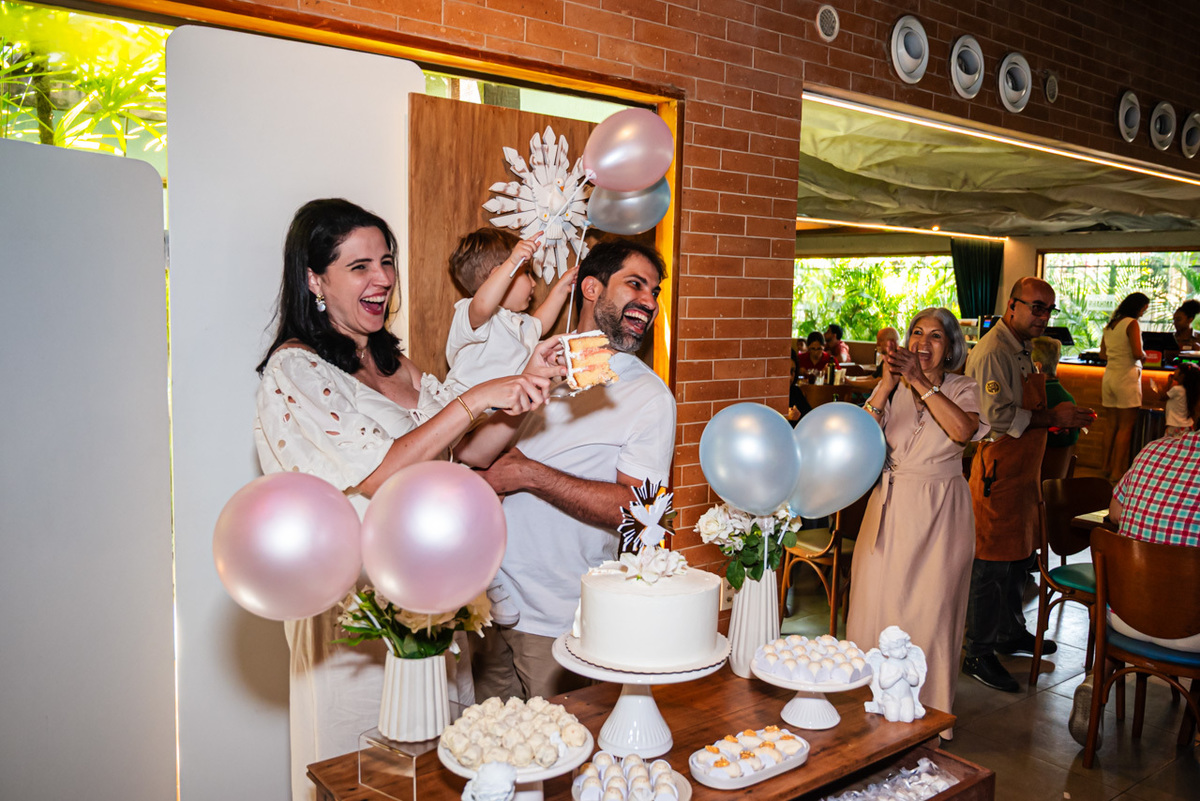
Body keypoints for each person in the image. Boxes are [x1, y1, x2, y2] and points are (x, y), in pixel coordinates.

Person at [253, 199, 557, 801]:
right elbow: (380, 474)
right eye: (359, 265)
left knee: (442, 769)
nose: (383, 279)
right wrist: (476, 398)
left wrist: (526, 390)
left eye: (386, 262)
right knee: (366, 774)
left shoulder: (396, 364)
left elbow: (467, 456)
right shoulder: (297, 370)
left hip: (432, 604)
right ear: (315, 279)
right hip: (356, 621)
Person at [470, 239, 676, 701]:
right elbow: (473, 455)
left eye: (655, 292)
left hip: (558, 620)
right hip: (482, 601)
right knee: (486, 760)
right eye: (635, 285)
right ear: (590, 288)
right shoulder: (531, 356)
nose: (648, 300)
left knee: (560, 764)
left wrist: (532, 475)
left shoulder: (649, 396)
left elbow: (642, 511)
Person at [849, 307, 986, 738]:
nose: (922, 342)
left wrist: (922, 384)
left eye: (935, 336)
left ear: (951, 348)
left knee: (930, 614)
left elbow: (963, 431)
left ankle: (928, 721)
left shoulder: (965, 388)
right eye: (915, 333)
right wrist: (887, 385)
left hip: (939, 515)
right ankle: (867, 707)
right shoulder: (895, 390)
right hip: (887, 508)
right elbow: (858, 441)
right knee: (874, 607)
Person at [962, 277, 1095, 694]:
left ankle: (1009, 631)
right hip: (997, 472)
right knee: (991, 563)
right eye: (1036, 307)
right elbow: (999, 418)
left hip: (1023, 475)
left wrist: (1060, 418)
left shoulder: (1020, 350)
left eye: (1048, 310)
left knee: (1020, 556)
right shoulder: (993, 351)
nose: (1043, 317)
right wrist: (1054, 417)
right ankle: (978, 652)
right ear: (1012, 305)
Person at [1068, 426, 1200, 745]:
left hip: (1124, 620)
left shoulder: (1152, 451)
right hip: (1191, 632)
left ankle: (1095, 684)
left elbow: (1114, 514)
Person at [445, 228, 578, 392]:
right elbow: (483, 305)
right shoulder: (473, 314)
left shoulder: (517, 320)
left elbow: (540, 324)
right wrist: (512, 263)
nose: (534, 283)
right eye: (527, 272)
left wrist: (562, 288)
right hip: (463, 410)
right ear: (499, 275)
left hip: (500, 409)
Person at [1099, 292, 1149, 482]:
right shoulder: (1132, 324)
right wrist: (1144, 354)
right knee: (1126, 427)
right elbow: (1137, 352)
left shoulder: (1110, 325)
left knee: (1111, 425)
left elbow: (1103, 355)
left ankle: (1105, 467)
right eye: (1145, 307)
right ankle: (1117, 472)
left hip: (1109, 376)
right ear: (1138, 306)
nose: (1145, 311)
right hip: (1127, 377)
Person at [1031, 336, 1080, 480]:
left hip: (1033, 482)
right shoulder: (1068, 398)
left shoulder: (1033, 398)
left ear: (1037, 366)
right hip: (1058, 481)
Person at [1149, 362, 1200, 437]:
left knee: (1169, 446)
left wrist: (1168, 383)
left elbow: (1163, 397)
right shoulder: (1187, 390)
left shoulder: (1177, 389)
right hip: (1186, 426)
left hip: (1175, 426)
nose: (1174, 371)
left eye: (1177, 370)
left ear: (1182, 376)